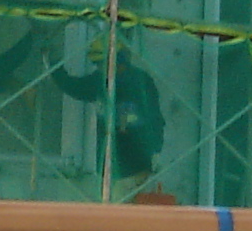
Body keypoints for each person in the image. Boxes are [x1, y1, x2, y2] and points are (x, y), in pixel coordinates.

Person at [48, 34, 165, 196]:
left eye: (101, 63)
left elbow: (154, 118)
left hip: (132, 166)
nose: (100, 68)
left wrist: (155, 150)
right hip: (115, 166)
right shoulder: (104, 81)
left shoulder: (137, 82)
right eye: (98, 64)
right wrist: (53, 62)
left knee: (119, 213)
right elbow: (72, 86)